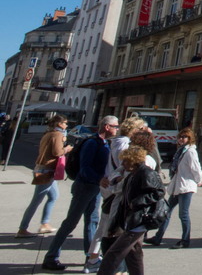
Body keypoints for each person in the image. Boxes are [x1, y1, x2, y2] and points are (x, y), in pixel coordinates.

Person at [42, 115, 118, 272]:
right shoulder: (92, 143)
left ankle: (91, 257)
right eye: (115, 126)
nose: (117, 129)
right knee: (71, 222)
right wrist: (99, 179)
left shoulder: (104, 143)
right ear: (106, 127)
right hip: (85, 187)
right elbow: (85, 168)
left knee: (92, 222)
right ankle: (51, 257)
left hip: (95, 188)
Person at [84, 116, 148, 272]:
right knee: (114, 230)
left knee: (106, 227)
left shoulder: (115, 142)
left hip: (111, 188)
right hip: (117, 191)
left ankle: (94, 258)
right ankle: (106, 264)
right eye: (142, 130)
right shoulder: (125, 146)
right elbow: (126, 170)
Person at [96, 145, 165, 275]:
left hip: (139, 220)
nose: (123, 164)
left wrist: (137, 202)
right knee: (134, 254)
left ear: (134, 160)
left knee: (113, 254)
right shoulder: (132, 174)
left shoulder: (146, 173)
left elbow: (159, 192)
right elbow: (119, 192)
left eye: (126, 161)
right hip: (131, 219)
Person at [17, 114, 73, 238]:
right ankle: (23, 228)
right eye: (65, 123)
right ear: (59, 124)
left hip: (44, 168)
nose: (66, 125)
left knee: (54, 196)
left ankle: (45, 223)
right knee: (36, 200)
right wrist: (67, 149)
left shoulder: (48, 134)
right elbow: (57, 152)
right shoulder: (57, 135)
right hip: (46, 170)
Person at [145, 128, 201, 248]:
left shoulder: (190, 152)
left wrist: (198, 180)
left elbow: (196, 168)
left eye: (184, 137)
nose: (181, 139)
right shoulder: (181, 150)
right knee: (166, 212)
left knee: (183, 214)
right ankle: (158, 237)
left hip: (186, 187)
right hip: (177, 186)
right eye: (180, 137)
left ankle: (185, 240)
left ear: (190, 138)